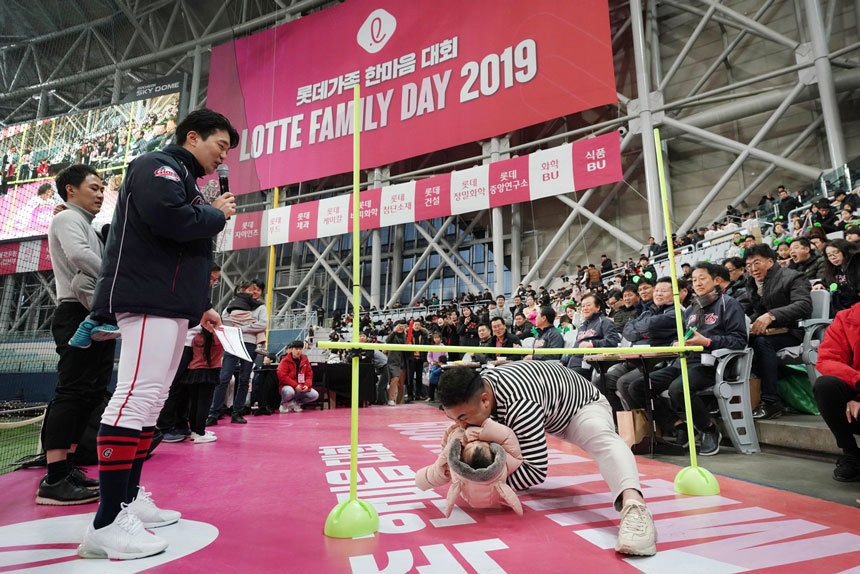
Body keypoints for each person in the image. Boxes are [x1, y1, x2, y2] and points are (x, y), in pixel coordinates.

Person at [77, 109, 238, 560]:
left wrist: (199, 306)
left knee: (149, 401)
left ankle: (127, 501)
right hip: (147, 300)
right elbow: (169, 220)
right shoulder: (157, 166)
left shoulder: (183, 180)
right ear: (192, 137)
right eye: (220, 145)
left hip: (172, 305)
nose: (223, 157)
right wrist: (213, 213)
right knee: (134, 396)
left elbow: (179, 249)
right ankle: (107, 523)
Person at [438, 362, 658, 555]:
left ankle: (635, 507)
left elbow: (535, 470)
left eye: (463, 417)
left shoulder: (520, 404)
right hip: (547, 406)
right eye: (453, 418)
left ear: (485, 400)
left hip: (580, 408)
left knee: (602, 439)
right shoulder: (482, 389)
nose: (459, 425)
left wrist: (482, 483)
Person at [37, 165, 113, 506]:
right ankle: (54, 477)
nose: (100, 193)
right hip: (75, 312)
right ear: (70, 190)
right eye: (94, 187)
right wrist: (116, 281)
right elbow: (80, 256)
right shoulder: (67, 219)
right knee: (73, 392)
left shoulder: (84, 223)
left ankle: (66, 468)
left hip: (90, 311)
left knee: (89, 392)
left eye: (102, 188)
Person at [627, 262, 747, 455]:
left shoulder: (728, 304)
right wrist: (677, 343)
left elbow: (739, 340)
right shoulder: (692, 309)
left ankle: (708, 429)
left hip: (712, 364)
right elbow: (683, 335)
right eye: (694, 279)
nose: (697, 283)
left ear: (716, 280)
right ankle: (679, 425)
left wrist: (707, 341)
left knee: (678, 388)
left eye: (702, 278)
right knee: (637, 386)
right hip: (683, 362)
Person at [744, 244, 812, 420]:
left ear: (770, 261)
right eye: (749, 265)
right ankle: (749, 398)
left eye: (756, 263)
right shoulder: (753, 283)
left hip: (793, 332)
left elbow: (803, 305)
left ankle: (770, 401)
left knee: (761, 343)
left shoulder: (793, 277)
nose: (752, 269)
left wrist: (772, 315)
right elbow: (756, 310)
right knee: (743, 342)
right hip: (770, 332)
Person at [415, 416, 524, 517]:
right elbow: (510, 442)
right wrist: (486, 431)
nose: (475, 440)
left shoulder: (452, 462)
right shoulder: (504, 463)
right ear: (494, 452)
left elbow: (435, 472)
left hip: (470, 495)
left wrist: (452, 447)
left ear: (461, 456)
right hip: (488, 495)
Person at [207, 279, 268, 425]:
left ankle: (237, 412)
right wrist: (249, 323)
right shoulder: (234, 303)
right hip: (232, 342)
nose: (254, 292)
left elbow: (263, 324)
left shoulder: (261, 307)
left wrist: (241, 327)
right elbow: (225, 318)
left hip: (250, 344)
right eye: (252, 289)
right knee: (224, 377)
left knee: (244, 379)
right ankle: (213, 413)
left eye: (257, 290)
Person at [814, 301, 860, 482]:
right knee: (826, 386)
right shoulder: (846, 318)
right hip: (855, 391)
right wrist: (857, 385)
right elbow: (827, 360)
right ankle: (851, 454)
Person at [177, 327, 221, 443]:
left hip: (193, 371)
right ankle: (200, 433)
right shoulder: (219, 338)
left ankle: (194, 431)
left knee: (194, 403)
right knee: (204, 404)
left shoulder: (196, 337)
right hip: (209, 372)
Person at [562, 294, 620, 380]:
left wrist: (592, 344)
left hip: (589, 366)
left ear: (598, 307)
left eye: (588, 305)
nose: (584, 308)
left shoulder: (605, 322)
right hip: (572, 364)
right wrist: (562, 361)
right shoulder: (582, 326)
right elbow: (575, 348)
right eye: (583, 306)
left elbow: (614, 341)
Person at [277, 340, 318, 412]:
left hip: (301, 386)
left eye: (300, 349)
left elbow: (309, 375)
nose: (298, 351)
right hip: (288, 386)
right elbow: (282, 376)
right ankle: (284, 404)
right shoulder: (285, 360)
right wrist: (295, 385)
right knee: (289, 392)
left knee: (315, 395)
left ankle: (296, 403)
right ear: (291, 350)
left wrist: (307, 385)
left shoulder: (305, 360)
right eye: (296, 349)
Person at [823, 239, 860, 313]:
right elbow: (825, 281)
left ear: (845, 250)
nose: (833, 257)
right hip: (843, 310)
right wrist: (819, 284)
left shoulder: (857, 262)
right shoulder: (832, 270)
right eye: (829, 255)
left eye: (836, 253)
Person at [386, 320, 408, 405]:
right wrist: (393, 332)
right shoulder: (393, 335)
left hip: (403, 362)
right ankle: (391, 399)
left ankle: (399, 402)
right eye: (399, 326)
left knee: (401, 384)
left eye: (402, 326)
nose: (401, 327)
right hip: (393, 361)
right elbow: (387, 341)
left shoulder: (406, 336)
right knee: (395, 379)